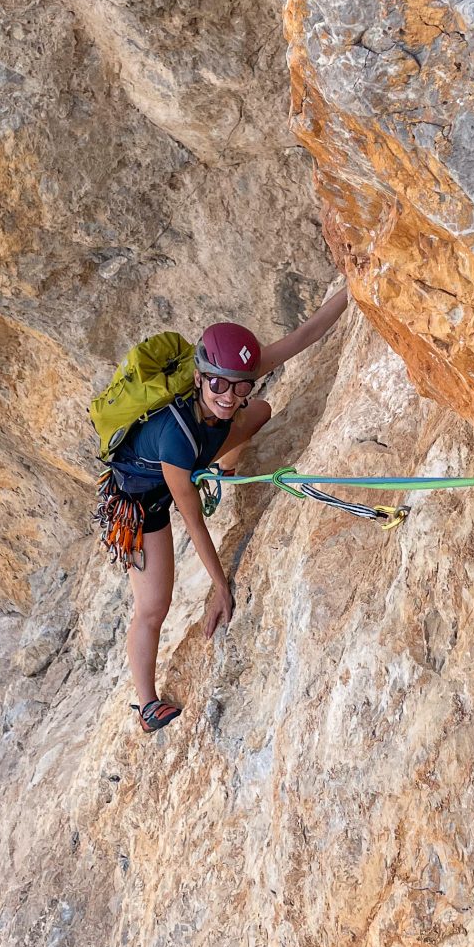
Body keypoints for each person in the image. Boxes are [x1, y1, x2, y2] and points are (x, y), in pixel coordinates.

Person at [108, 287, 350, 732]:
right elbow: (194, 523)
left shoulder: (237, 382)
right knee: (152, 607)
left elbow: (306, 334)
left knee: (259, 411)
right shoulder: (173, 437)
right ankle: (146, 707)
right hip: (145, 502)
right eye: (218, 384)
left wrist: (356, 284)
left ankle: (220, 466)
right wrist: (222, 589)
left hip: (201, 450)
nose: (229, 393)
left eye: (240, 384)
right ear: (199, 377)